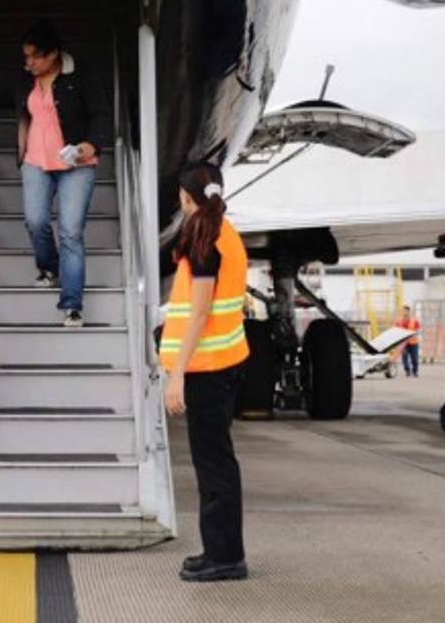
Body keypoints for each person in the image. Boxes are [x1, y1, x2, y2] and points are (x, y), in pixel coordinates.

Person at [0, 19, 111, 327]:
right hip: (35, 160)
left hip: (77, 164)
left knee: (71, 232)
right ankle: (50, 268)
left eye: (36, 56)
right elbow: (10, 93)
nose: (29, 63)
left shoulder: (81, 75)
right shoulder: (26, 78)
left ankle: (71, 305)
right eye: (26, 56)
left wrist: (90, 145)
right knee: (35, 221)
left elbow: (101, 114)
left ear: (54, 54)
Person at [160, 162, 250, 582]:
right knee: (217, 462)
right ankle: (219, 550)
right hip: (226, 362)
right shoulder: (225, 233)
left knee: (213, 465)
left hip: (207, 369)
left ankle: (225, 557)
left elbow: (198, 314)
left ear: (185, 197)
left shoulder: (204, 239)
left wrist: (176, 374)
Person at [395, 305, 421, 377]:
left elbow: (418, 330)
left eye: (406, 311)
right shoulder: (399, 322)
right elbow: (396, 331)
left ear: (409, 312)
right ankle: (407, 371)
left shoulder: (415, 321)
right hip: (403, 344)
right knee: (405, 357)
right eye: (403, 311)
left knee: (414, 358)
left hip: (413, 343)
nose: (404, 312)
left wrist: (414, 333)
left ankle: (415, 371)